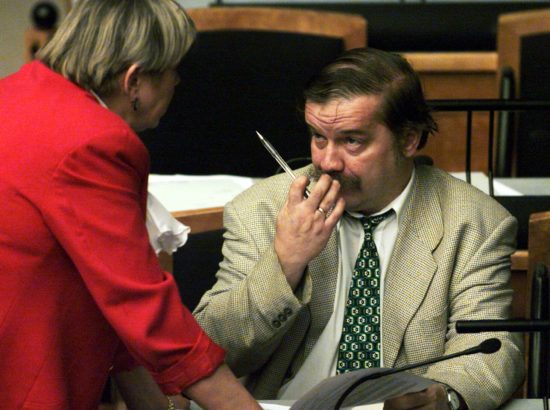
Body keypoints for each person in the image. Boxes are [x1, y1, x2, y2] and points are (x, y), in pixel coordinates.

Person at [194, 48, 524, 410]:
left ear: (408, 139)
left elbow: (491, 348)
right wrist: (285, 262)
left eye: (352, 140)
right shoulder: (261, 209)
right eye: (318, 137)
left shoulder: (474, 221)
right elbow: (212, 349)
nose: (327, 162)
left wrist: (445, 397)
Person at [0, 1, 261, 409]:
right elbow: (143, 306)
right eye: (173, 69)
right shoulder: (95, 141)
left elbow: (112, 295)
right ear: (134, 80)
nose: (177, 81)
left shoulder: (18, 89)